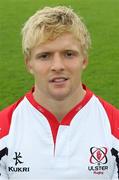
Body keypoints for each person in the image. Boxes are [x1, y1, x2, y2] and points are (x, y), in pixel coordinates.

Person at [0, 6, 119, 180]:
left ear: (84, 59)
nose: (58, 66)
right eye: (45, 56)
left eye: (69, 54)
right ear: (28, 63)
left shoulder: (114, 127)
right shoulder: (4, 129)